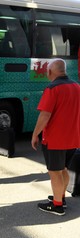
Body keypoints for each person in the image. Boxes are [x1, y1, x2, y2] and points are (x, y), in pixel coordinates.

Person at [31, 58, 80, 216]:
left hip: (55, 139)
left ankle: (57, 205)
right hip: (73, 138)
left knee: (54, 172)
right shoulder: (76, 86)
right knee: (63, 169)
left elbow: (45, 115)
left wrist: (35, 134)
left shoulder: (52, 89)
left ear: (50, 72)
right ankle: (61, 198)